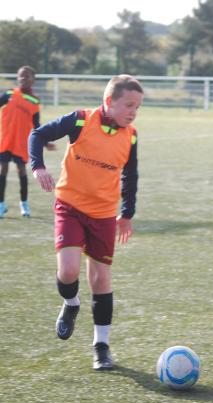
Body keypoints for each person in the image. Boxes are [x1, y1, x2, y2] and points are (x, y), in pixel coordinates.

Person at [28, 74, 144, 370]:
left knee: (101, 279)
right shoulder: (80, 120)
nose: (133, 112)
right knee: (68, 271)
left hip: (104, 215)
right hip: (70, 207)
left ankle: (101, 347)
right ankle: (71, 303)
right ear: (109, 102)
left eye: (137, 107)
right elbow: (37, 135)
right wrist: (38, 167)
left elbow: (130, 175)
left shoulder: (130, 135)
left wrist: (127, 213)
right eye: (128, 105)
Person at [0, 66, 48, 218]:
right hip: (5, 140)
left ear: (33, 79)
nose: (23, 79)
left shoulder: (34, 100)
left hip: (21, 142)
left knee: (21, 171)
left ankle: (24, 204)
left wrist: (45, 141)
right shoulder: (9, 94)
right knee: (3, 170)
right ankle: (1, 204)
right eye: (21, 76)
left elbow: (36, 124)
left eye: (27, 76)